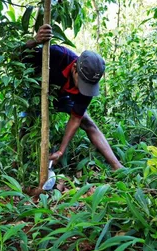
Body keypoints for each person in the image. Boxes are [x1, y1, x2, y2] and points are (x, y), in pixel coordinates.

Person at [24, 24, 123, 170]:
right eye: (82, 82)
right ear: (75, 68)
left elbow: (75, 118)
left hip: (63, 97)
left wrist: (60, 151)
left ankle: (118, 167)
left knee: (88, 123)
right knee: (27, 125)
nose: (84, 88)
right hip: (37, 92)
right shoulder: (57, 55)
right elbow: (20, 55)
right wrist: (35, 41)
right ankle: (18, 164)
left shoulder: (87, 86)